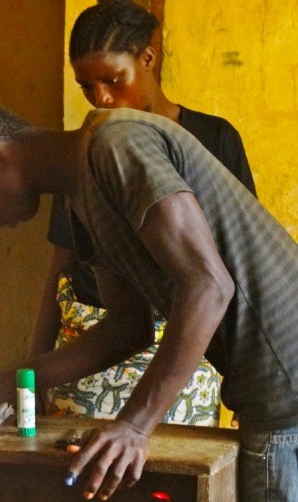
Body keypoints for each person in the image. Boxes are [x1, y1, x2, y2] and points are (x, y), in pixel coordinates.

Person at [0, 94, 298, 502]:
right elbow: (127, 329)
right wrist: (5, 384)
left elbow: (208, 284)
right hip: (272, 387)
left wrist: (134, 426)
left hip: (285, 386)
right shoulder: (81, 202)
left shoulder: (115, 144)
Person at [30, 0, 256, 426]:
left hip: (184, 351)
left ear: (147, 59)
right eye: (86, 86)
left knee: (175, 485)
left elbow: (236, 267)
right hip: (90, 351)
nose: (101, 98)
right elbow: (61, 264)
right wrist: (33, 372)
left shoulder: (214, 140)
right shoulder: (86, 152)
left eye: (113, 80)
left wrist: (249, 384)